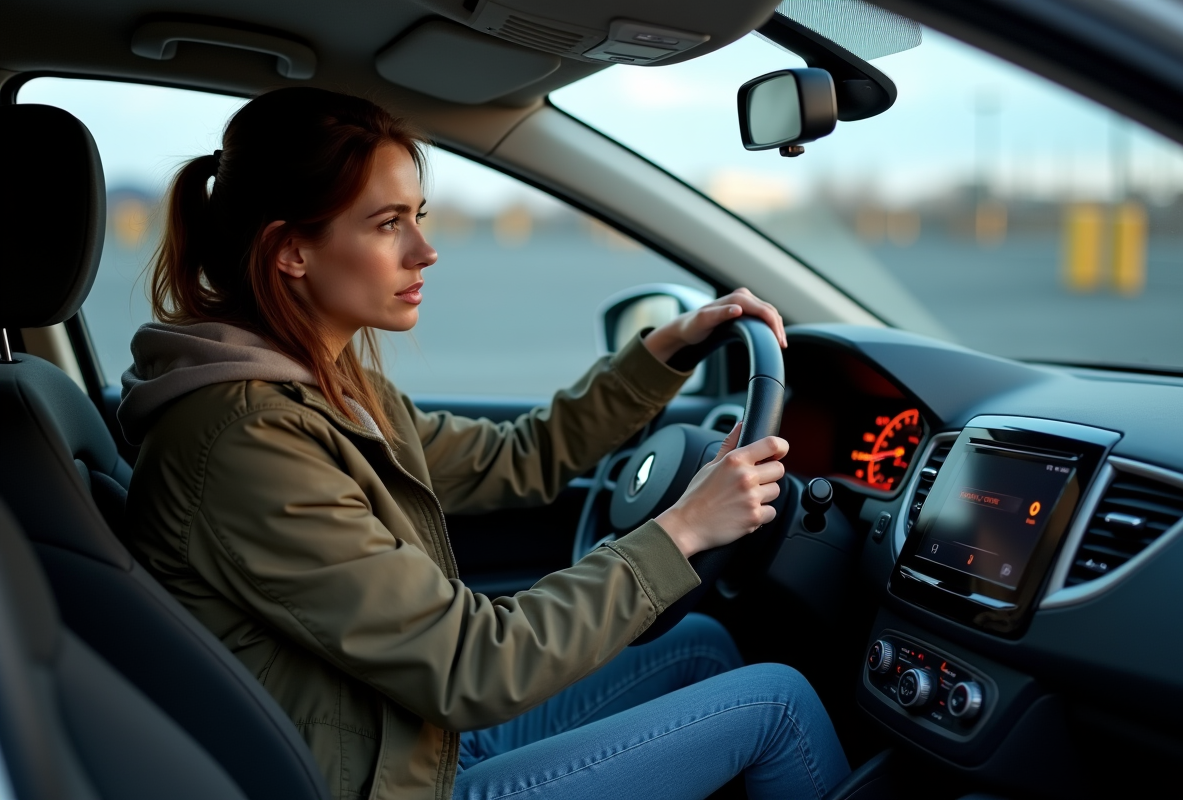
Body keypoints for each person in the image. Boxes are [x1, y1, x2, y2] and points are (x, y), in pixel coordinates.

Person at [120, 87, 850, 800]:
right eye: (388, 224)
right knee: (776, 703)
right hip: (380, 780)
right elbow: (473, 665)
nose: (425, 251)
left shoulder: (326, 387)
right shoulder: (251, 439)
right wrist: (684, 529)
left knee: (701, 648)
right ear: (291, 252)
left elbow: (517, 458)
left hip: (400, 734)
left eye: (418, 216)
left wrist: (668, 347)